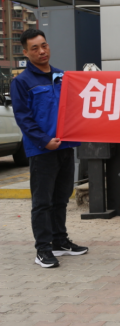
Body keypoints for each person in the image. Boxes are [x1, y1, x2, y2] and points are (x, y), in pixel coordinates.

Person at [10, 29, 87, 268]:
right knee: (43, 202)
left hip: (65, 146)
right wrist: (44, 140)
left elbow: (75, 107)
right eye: (35, 48)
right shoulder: (22, 82)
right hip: (42, 150)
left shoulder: (63, 77)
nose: (42, 51)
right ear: (25, 52)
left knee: (61, 198)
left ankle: (59, 241)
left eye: (44, 45)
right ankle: (43, 249)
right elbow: (23, 118)